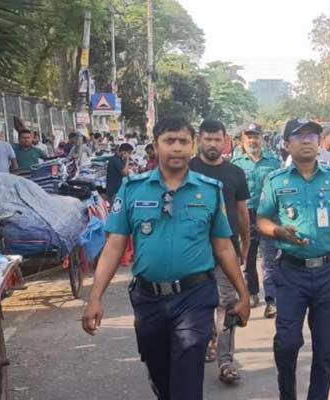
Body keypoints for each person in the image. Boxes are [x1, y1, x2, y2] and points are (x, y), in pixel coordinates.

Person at [82, 116, 250, 400]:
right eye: (169, 141)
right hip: (149, 299)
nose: (176, 148)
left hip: (194, 296)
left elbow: (223, 247)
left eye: (183, 142)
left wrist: (243, 294)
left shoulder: (209, 191)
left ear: (191, 146)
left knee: (187, 377)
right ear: (156, 146)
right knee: (161, 376)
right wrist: (95, 297)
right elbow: (114, 246)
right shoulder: (133, 189)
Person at [257, 118, 330, 400]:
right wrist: (278, 231)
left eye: (312, 136)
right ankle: (287, 395)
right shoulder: (276, 181)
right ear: (286, 144)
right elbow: (262, 219)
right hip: (291, 272)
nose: (307, 140)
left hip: (328, 270)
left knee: (325, 349)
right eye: (299, 136)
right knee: (287, 343)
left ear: (319, 143)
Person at [189, 119, 251, 384]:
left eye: (218, 139)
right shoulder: (187, 169)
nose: (213, 144)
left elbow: (241, 211)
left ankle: (226, 361)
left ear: (225, 140)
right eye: (208, 139)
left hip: (226, 250)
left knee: (227, 303)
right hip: (193, 252)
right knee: (197, 305)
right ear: (199, 140)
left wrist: (245, 244)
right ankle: (204, 342)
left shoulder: (235, 173)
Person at [231, 122, 282, 317]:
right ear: (243, 140)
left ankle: (271, 299)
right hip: (245, 215)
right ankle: (252, 292)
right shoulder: (236, 164)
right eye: (248, 137)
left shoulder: (274, 162)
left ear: (262, 139)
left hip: (268, 215)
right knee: (248, 257)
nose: (252, 140)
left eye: (256, 136)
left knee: (270, 258)